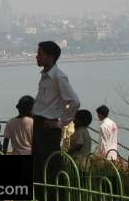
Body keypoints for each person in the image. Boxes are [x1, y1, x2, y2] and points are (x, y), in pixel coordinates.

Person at [31, 41, 80, 201]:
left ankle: (54, 197)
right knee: (38, 167)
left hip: (48, 127)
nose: (37, 57)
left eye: (40, 54)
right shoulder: (45, 76)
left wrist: (60, 123)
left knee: (50, 166)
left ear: (51, 57)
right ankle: (41, 197)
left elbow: (74, 101)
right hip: (39, 125)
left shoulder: (58, 77)